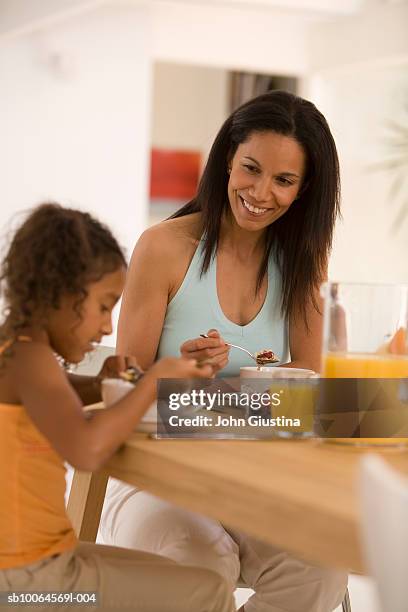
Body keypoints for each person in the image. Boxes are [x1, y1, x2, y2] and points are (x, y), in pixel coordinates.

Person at [100, 90, 348, 611]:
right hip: (157, 479)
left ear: (304, 190)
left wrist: (215, 401)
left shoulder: (303, 264)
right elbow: (123, 390)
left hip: (254, 482)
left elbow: (310, 395)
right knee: (200, 559)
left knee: (321, 565)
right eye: (250, 169)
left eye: (283, 180)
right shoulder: (164, 248)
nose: (261, 192)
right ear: (227, 161)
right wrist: (176, 374)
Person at [0, 203, 235, 612]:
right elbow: (88, 449)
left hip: (38, 566)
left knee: (204, 580)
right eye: (105, 306)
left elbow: (56, 395)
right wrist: (156, 380)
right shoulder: (32, 361)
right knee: (208, 592)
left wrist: (98, 383)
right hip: (32, 582)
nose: (108, 327)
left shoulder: (15, 352)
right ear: (59, 293)